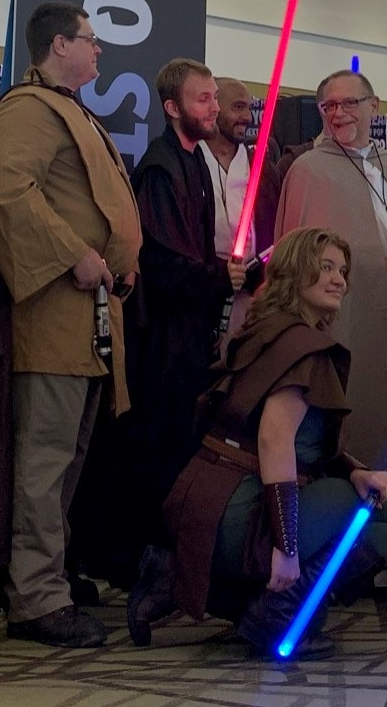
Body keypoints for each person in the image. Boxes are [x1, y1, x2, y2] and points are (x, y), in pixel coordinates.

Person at [134, 227, 387, 660]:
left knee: (364, 495)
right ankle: (279, 610)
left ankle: (177, 577)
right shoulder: (304, 346)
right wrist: (286, 548)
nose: (339, 279)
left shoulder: (264, 330)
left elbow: (285, 439)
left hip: (203, 506)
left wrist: (353, 469)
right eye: (325, 267)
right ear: (294, 272)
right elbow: (273, 438)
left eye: (342, 271)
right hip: (238, 513)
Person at [0, 0, 142, 648]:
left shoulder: (68, 109)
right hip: (52, 317)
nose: (99, 51)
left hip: (87, 318)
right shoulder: (28, 108)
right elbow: (9, 194)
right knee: (42, 462)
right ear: (60, 44)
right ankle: (35, 598)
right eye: (90, 40)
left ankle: (48, 579)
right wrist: (75, 255)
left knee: (65, 461)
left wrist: (119, 262)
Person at [275, 70, 387, 493]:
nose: (338, 113)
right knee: (363, 422)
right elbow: (300, 260)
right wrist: (384, 271)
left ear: (374, 107)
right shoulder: (309, 172)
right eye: (329, 105)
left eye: (349, 103)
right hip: (352, 329)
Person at [129, 59, 250, 521]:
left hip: (191, 337)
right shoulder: (161, 168)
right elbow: (162, 264)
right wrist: (220, 277)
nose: (214, 108)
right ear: (172, 107)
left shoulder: (194, 160)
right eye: (204, 99)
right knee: (160, 447)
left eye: (215, 97)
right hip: (162, 342)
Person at [203, 77, 256, 260]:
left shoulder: (263, 170)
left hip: (253, 274)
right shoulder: (188, 162)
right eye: (238, 107)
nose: (248, 117)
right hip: (201, 273)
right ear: (214, 109)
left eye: (249, 108)